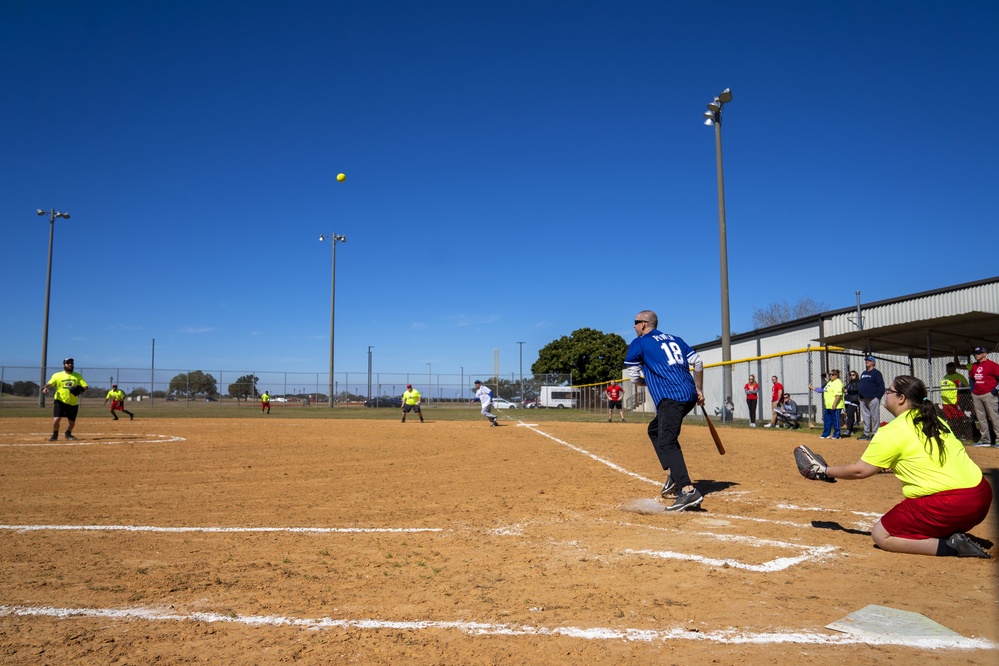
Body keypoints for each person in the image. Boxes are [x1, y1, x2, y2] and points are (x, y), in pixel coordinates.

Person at [807, 375, 992, 558]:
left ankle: (953, 548)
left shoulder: (892, 430)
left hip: (953, 503)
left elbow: (859, 470)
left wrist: (824, 471)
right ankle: (948, 532)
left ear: (901, 398)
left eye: (890, 391)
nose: (886, 394)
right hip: (982, 496)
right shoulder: (935, 419)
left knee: (881, 535)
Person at [623, 310, 705, 512]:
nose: (633, 326)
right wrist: (699, 388)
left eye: (635, 323)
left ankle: (687, 490)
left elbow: (633, 377)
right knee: (655, 430)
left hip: (671, 398)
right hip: (688, 396)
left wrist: (648, 381)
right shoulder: (676, 339)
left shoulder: (640, 343)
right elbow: (699, 362)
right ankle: (675, 475)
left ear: (643, 324)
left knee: (667, 440)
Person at [42, 357, 88, 441]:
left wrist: (82, 389)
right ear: (64, 365)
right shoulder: (57, 375)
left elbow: (85, 386)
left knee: (72, 422)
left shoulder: (77, 376)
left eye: (71, 363)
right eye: (68, 363)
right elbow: (49, 383)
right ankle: (55, 434)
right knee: (56, 419)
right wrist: (45, 388)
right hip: (60, 401)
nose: (70, 364)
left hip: (73, 402)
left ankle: (68, 433)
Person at [969, 346, 999, 447]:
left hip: (989, 394)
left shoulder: (992, 365)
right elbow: (972, 379)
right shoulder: (974, 366)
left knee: (994, 417)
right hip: (977, 394)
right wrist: (972, 390)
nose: (976, 355)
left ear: (985, 354)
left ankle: (998, 439)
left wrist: (994, 391)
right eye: (975, 353)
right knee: (981, 418)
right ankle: (985, 439)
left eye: (978, 353)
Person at [810, 369, 844, 439]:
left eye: (832, 374)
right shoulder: (830, 382)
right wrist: (813, 388)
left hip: (835, 406)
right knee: (827, 420)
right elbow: (823, 390)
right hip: (828, 405)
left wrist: (834, 404)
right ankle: (826, 434)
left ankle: (837, 434)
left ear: (837, 376)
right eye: (830, 374)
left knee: (835, 420)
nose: (831, 376)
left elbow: (838, 395)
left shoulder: (838, 383)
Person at [941, 362, 971, 440]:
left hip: (954, 402)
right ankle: (954, 433)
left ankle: (962, 434)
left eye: (950, 368)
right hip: (945, 403)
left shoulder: (959, 377)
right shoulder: (945, 377)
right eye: (947, 368)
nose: (948, 370)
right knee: (950, 419)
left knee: (958, 419)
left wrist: (962, 401)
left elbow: (965, 389)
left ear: (954, 368)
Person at [857, 356, 885, 441]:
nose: (867, 361)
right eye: (866, 360)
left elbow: (881, 386)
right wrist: (859, 396)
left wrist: (878, 397)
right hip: (863, 398)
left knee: (875, 417)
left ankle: (875, 433)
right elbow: (861, 385)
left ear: (873, 363)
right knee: (866, 417)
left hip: (873, 398)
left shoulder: (876, 373)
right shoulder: (864, 373)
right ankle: (866, 433)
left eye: (869, 360)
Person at [843, 370, 861, 437]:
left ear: (856, 375)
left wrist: (848, 390)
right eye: (850, 375)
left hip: (854, 400)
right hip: (847, 400)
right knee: (849, 415)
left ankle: (848, 430)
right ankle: (851, 430)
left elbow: (857, 389)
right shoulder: (850, 383)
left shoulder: (858, 382)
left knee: (850, 414)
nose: (851, 376)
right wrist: (844, 389)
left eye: (853, 375)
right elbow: (845, 388)